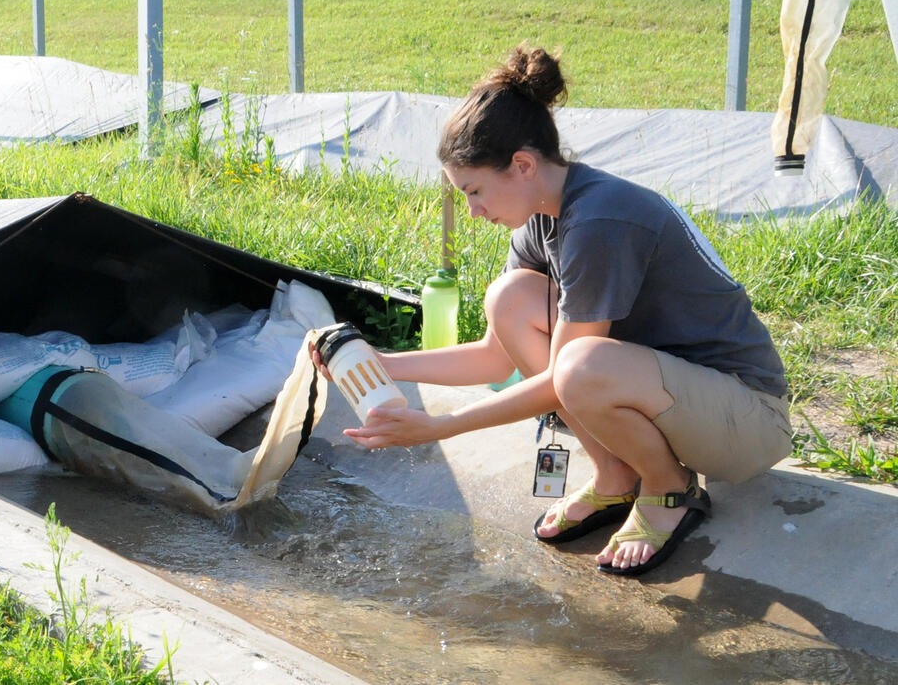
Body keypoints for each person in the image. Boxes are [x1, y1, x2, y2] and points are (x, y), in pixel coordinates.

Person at [318, 45, 792, 577]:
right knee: (509, 298)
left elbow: (564, 378)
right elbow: (496, 360)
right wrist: (376, 363)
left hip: (747, 418)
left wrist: (438, 427)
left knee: (581, 366)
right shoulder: (544, 218)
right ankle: (616, 477)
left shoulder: (600, 219)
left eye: (474, 191)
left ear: (522, 165)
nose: (473, 212)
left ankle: (667, 488)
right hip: (675, 396)